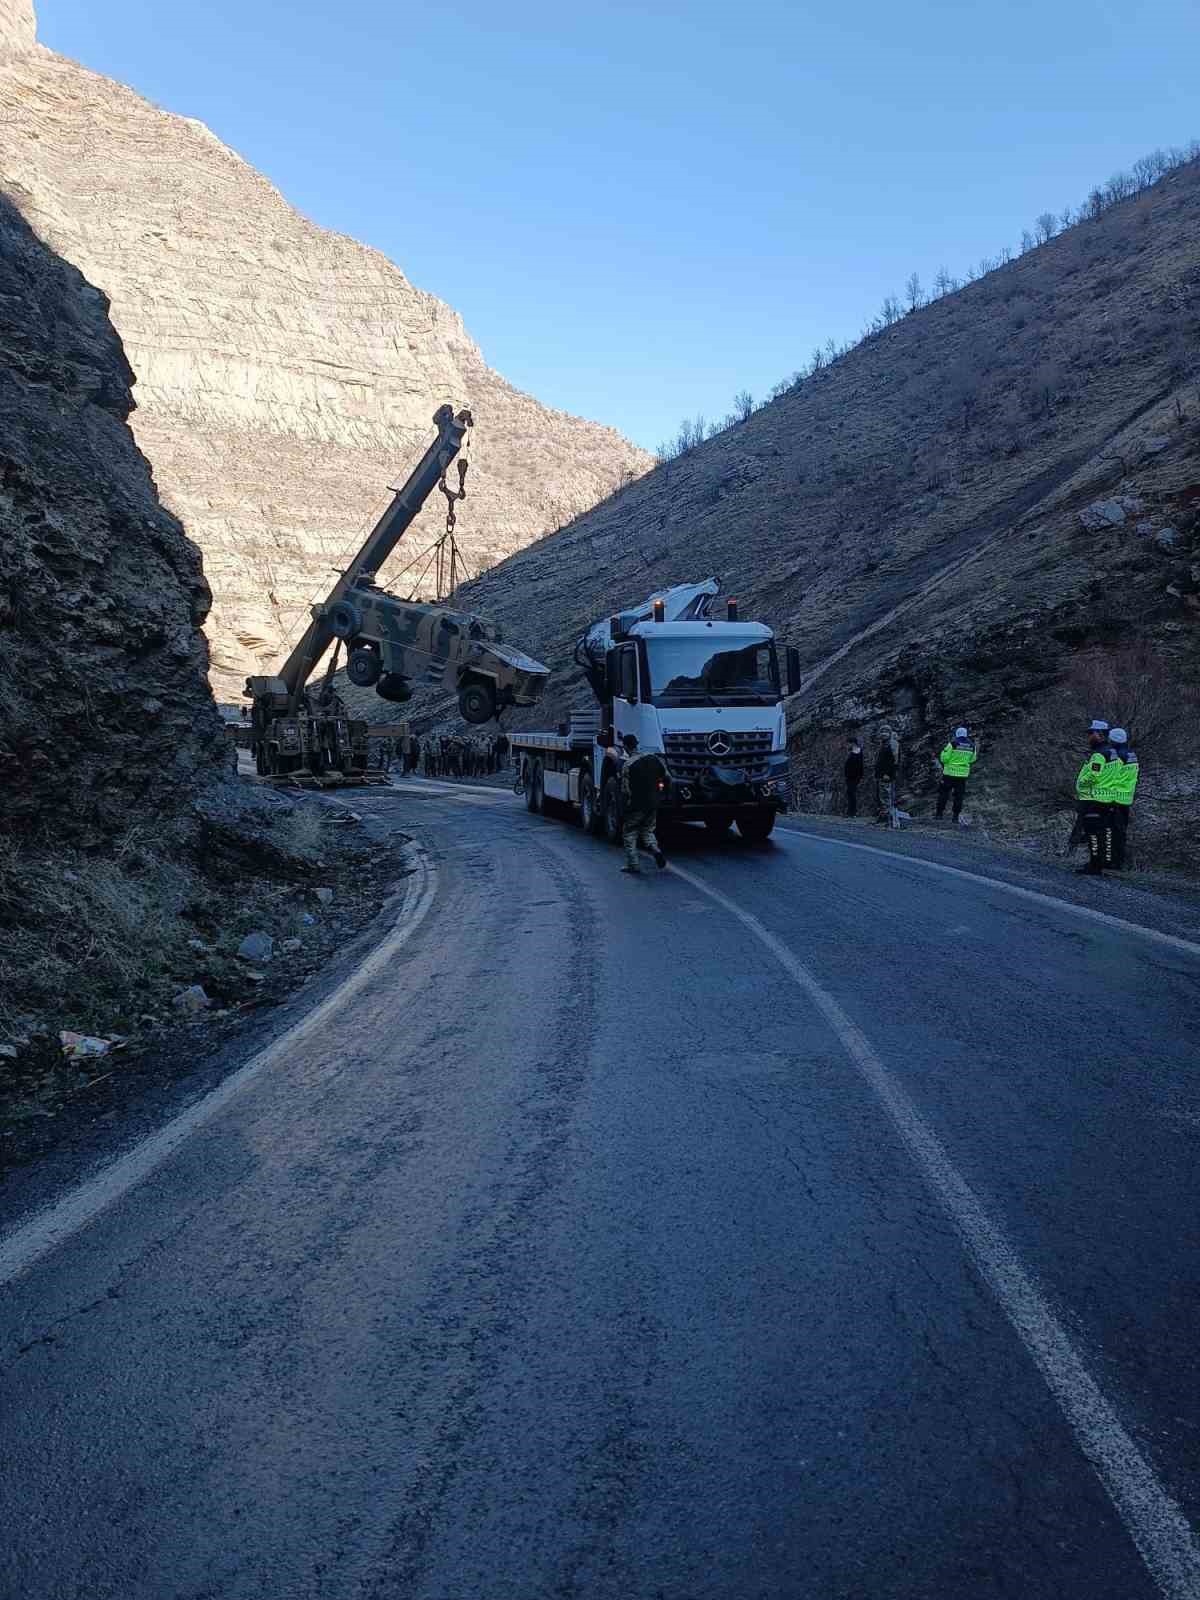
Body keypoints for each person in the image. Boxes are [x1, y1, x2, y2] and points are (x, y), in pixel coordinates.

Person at [614, 733, 668, 875]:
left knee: (629, 833)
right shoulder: (653, 758)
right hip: (652, 803)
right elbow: (666, 776)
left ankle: (633, 864)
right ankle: (656, 850)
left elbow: (626, 790)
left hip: (636, 806)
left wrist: (624, 809)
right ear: (637, 744)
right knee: (648, 830)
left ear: (625, 747)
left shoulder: (628, 765)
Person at [1075, 720, 1119, 875]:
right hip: (1107, 799)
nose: (1089, 737)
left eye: (1091, 733)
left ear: (1100, 734)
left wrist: (1081, 782)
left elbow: (1094, 775)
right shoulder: (1112, 751)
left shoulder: (1099, 754)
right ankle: (1100, 862)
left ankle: (1094, 865)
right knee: (1102, 832)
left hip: (1094, 799)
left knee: (1092, 833)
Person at [1104, 727, 1138, 869]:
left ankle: (1111, 862)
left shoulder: (1117, 757)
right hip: (1126, 800)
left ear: (1114, 740)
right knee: (1121, 832)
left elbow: (1111, 778)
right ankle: (1119, 861)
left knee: (1110, 832)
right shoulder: (1132, 755)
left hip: (1114, 799)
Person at [936, 725, 977, 825]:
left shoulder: (953, 743)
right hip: (962, 775)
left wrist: (948, 760)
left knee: (944, 793)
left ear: (957, 734)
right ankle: (955, 817)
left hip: (949, 773)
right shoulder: (972, 745)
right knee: (959, 796)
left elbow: (944, 758)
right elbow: (973, 759)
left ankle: (939, 814)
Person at [874, 726, 899, 823]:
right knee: (882, 795)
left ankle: (888, 816)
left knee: (886, 795)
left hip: (887, 775)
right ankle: (883, 815)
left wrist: (888, 773)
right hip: (880, 774)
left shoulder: (892, 744)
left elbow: (894, 761)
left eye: (886, 732)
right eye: (882, 732)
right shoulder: (883, 744)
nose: (883, 734)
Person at [844, 738, 864, 817]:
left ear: (853, 743)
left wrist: (859, 776)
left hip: (854, 776)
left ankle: (852, 812)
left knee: (852, 793)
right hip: (850, 776)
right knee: (850, 793)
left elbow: (859, 766)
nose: (847, 745)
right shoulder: (852, 752)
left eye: (848, 743)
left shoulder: (858, 752)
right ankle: (850, 811)